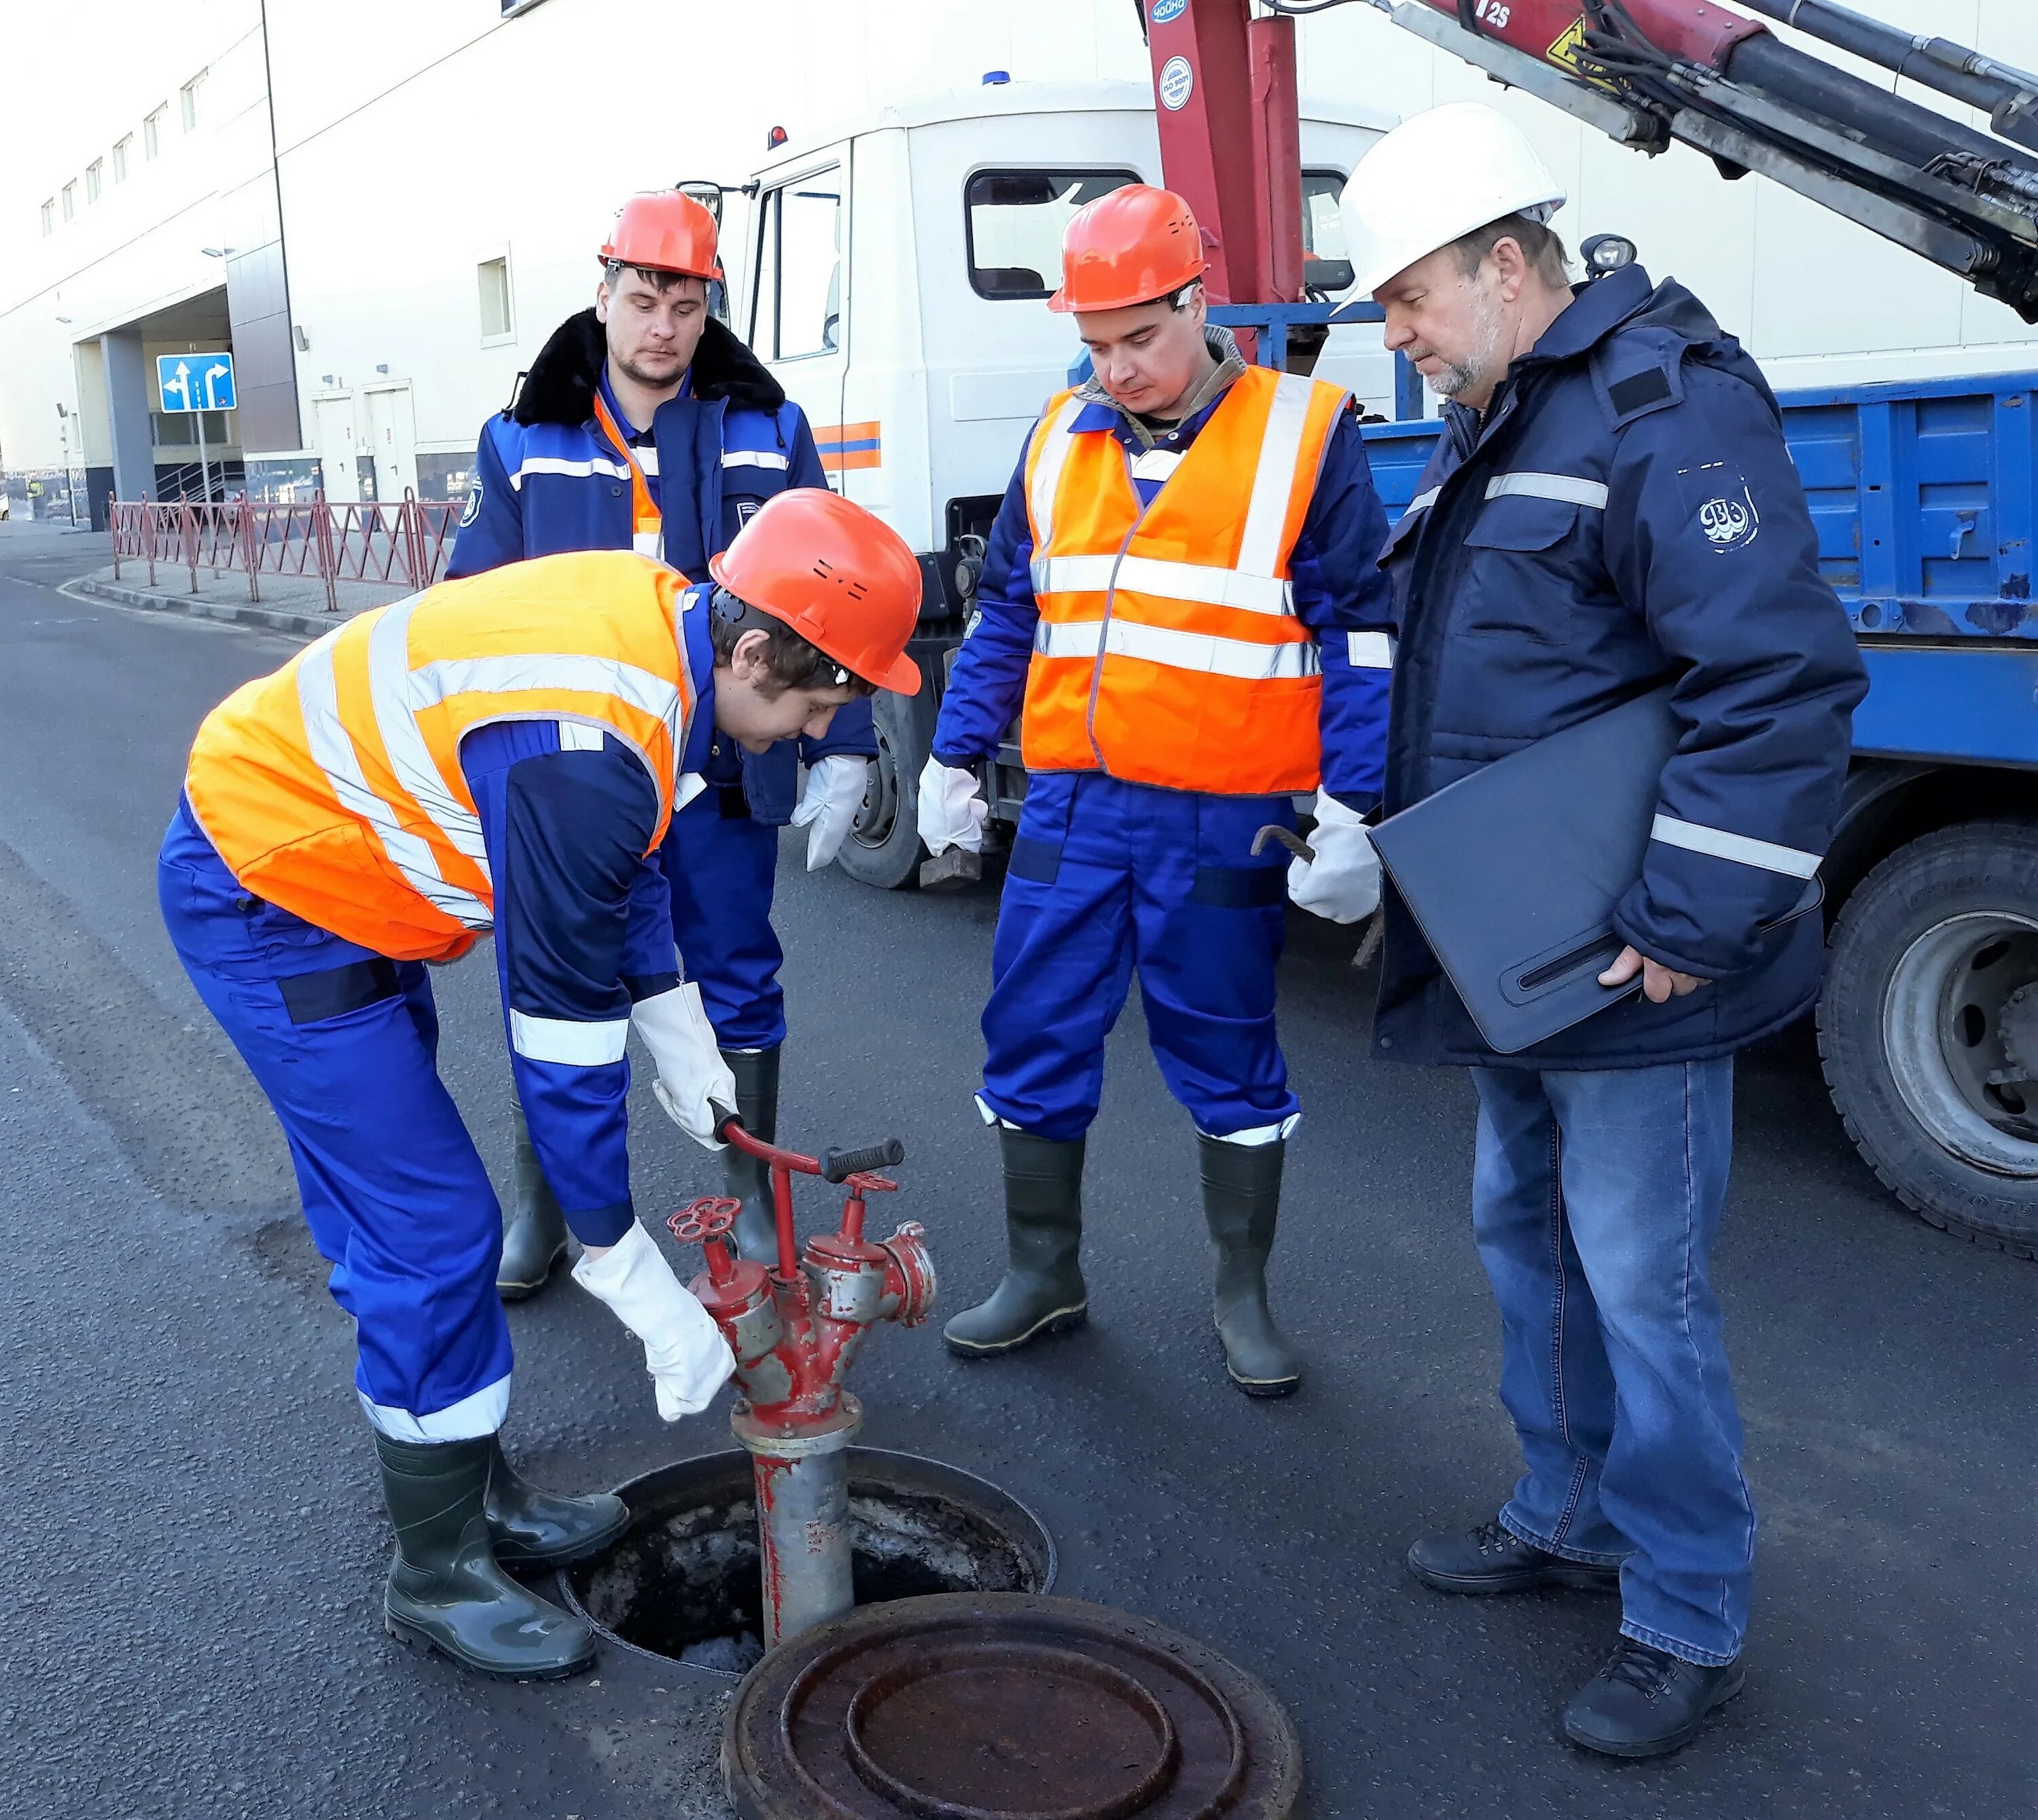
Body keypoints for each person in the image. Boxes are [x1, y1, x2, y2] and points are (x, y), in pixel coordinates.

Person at [158, 493, 923, 1679]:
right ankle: (437, 1569)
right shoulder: (582, 744)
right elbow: (559, 1038)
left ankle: (475, 1489)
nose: (797, 735)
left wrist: (681, 1038)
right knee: (429, 1233)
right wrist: (627, 1271)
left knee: (410, 1224)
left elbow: (634, 873)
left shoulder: (664, 635)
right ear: (757, 646)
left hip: (350, 887)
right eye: (810, 706)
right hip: (275, 898)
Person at [1340, 103, 1868, 1757]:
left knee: (1644, 1283)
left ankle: (1688, 1611)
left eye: (1413, 300)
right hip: (1528, 946)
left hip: (1637, 955)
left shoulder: (1665, 406)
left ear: (1509, 265)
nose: (1402, 339)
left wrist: (1696, 918)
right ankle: (1564, 1512)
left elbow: (1777, 682)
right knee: (1532, 1239)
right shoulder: (1510, 410)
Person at [917, 185, 1396, 1397]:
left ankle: (1242, 1295)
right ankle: (1044, 1275)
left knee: (1229, 1054)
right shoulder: (1055, 436)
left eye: (1141, 337)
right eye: (1094, 344)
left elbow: (1362, 634)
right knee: (1031, 1034)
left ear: (1198, 303)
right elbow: (1010, 612)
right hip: (1072, 809)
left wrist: (1354, 809)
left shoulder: (1304, 433)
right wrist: (952, 753)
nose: (1118, 368)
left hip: (1228, 816)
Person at [449, 189, 876, 1290]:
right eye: (643, 300)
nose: (664, 329)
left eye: (685, 307)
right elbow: (469, 609)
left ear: (706, 308)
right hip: (574, 777)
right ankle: (545, 1206)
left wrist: (846, 745)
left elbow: (844, 591)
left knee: (736, 972)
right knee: (555, 976)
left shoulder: (765, 426)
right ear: (603, 298)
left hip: (725, 767)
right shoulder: (525, 441)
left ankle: (752, 1207)